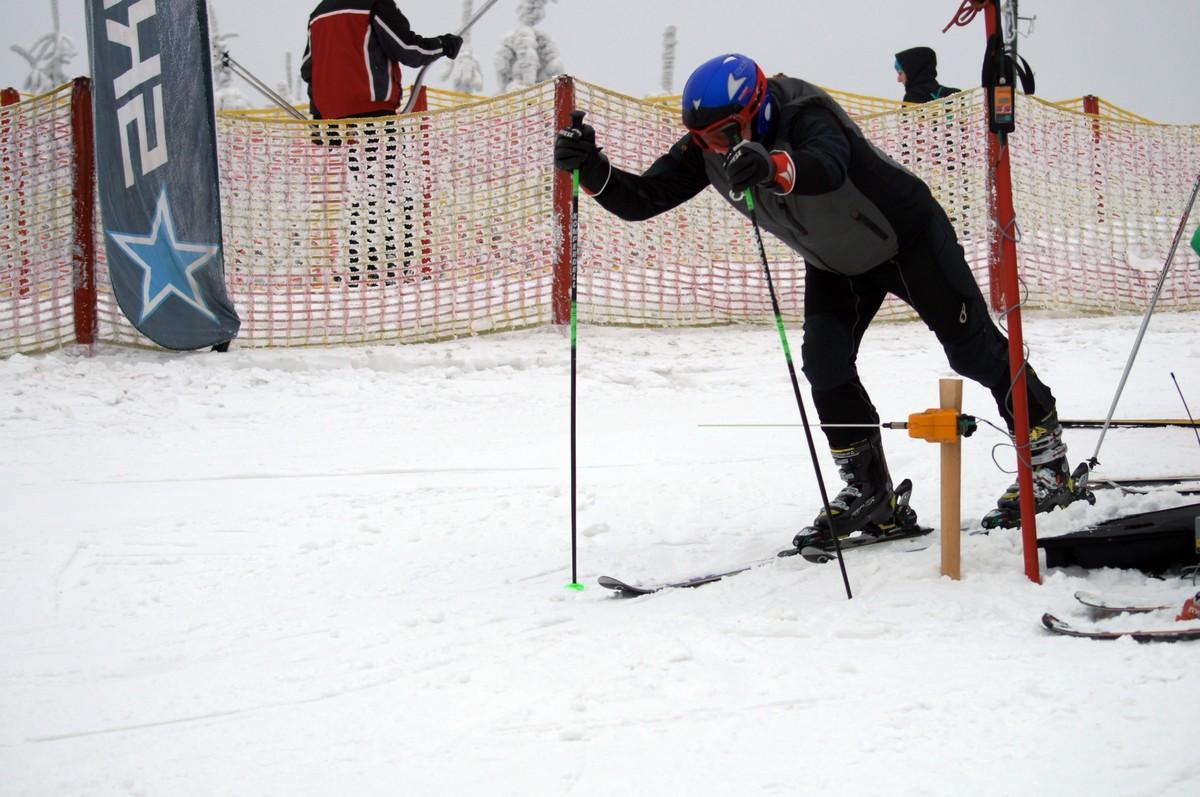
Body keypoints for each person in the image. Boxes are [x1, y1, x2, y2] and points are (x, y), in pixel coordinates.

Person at [553, 53, 1086, 537]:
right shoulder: (708, 148)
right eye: (700, 139)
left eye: (720, 135)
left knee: (971, 349)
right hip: (838, 262)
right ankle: (871, 494)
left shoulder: (802, 109)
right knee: (825, 365)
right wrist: (594, 172)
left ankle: (1048, 463)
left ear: (755, 109)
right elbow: (644, 199)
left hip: (906, 236)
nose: (711, 149)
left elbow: (828, 163)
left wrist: (773, 166)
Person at [300, 2, 463, 285]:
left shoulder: (320, 13)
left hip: (337, 119)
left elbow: (308, 68)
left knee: (358, 190)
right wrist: (442, 45)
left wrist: (318, 114)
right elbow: (409, 50)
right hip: (373, 111)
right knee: (387, 187)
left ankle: (356, 264)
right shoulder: (373, 4)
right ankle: (385, 264)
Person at [894, 47, 960, 104]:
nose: (898, 79)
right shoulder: (955, 94)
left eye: (900, 73)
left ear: (912, 71)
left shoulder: (912, 98)